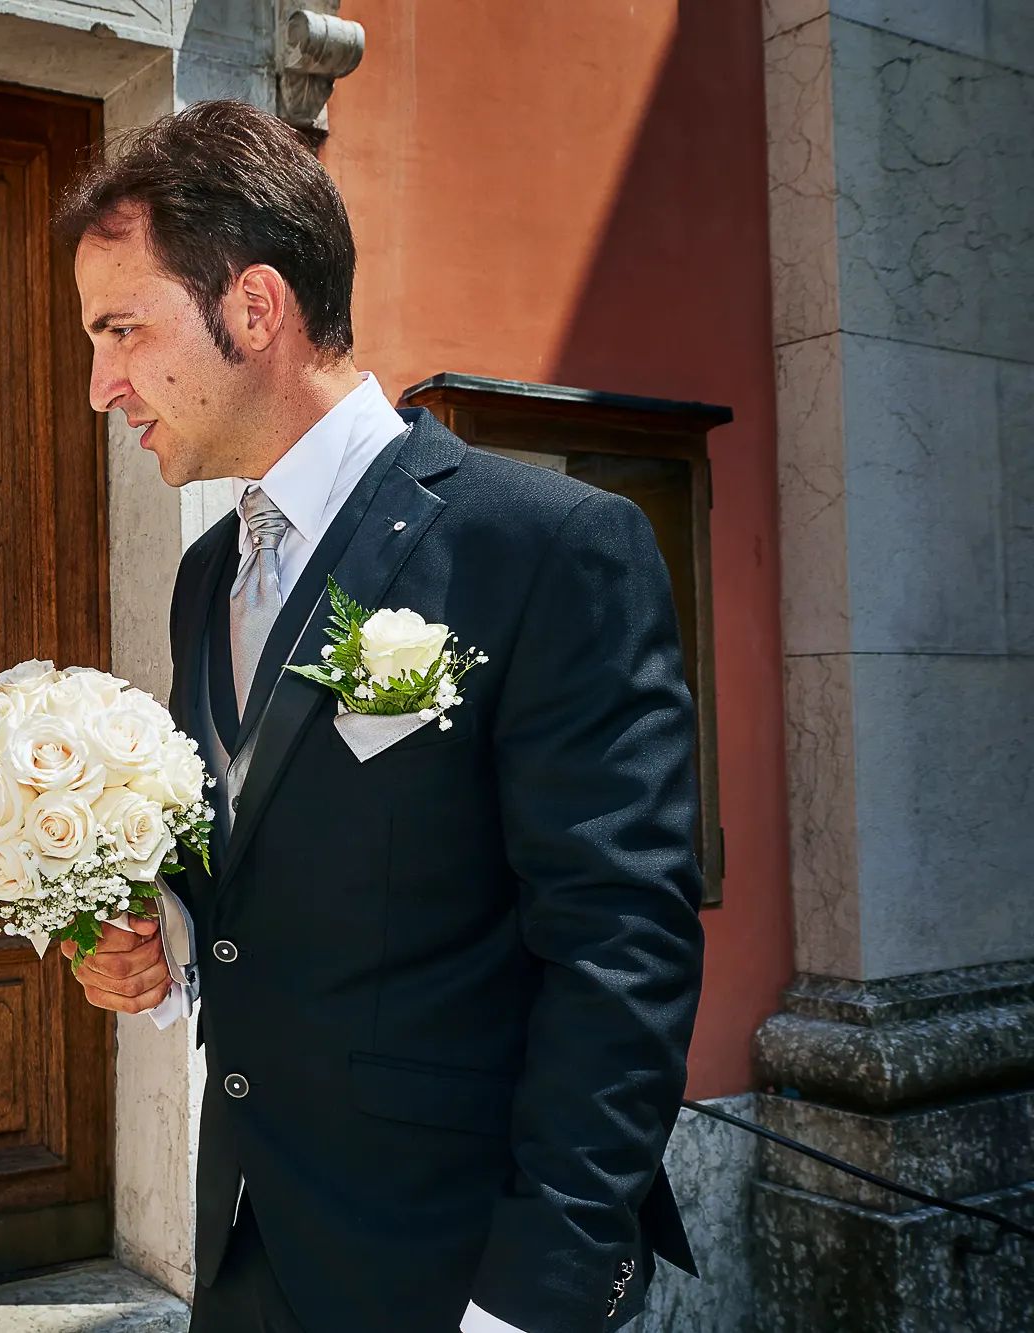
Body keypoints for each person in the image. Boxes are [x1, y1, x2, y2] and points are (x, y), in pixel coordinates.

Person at [56, 103, 706, 1332]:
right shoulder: (208, 574)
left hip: (456, 1266)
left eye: (122, 331)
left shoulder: (545, 546)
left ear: (254, 309)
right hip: (249, 1244)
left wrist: (533, 1297)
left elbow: (619, 950)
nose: (102, 386)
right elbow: (259, 835)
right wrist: (169, 931)